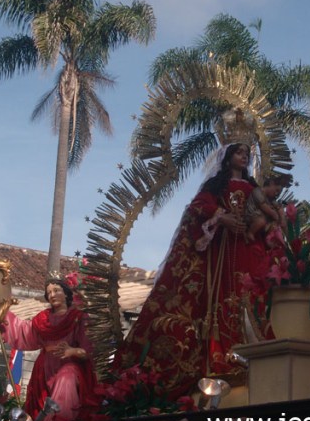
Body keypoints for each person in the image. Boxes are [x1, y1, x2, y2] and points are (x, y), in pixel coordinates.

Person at [115, 143, 272, 397]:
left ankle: (257, 353)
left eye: (247, 154)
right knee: (223, 301)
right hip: (221, 254)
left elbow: (267, 212)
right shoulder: (216, 187)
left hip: (247, 250)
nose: (244, 157)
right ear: (228, 158)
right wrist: (221, 217)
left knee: (253, 299)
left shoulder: (254, 189)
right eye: (239, 153)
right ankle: (220, 357)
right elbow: (197, 208)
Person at [1, 279, 97, 421]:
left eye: (57, 290)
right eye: (49, 293)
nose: (52, 295)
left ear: (66, 294)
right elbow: (23, 333)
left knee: (67, 377)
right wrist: (2, 314)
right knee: (41, 406)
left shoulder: (78, 317)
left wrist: (72, 351)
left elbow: (87, 351)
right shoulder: (42, 319)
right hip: (45, 369)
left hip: (71, 365)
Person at [245, 175, 286, 246]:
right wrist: (275, 215)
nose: (276, 194)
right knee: (261, 221)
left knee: (272, 226)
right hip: (251, 214)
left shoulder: (271, 199)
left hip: (261, 217)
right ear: (271, 183)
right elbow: (265, 207)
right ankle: (250, 233)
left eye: (278, 194)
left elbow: (278, 207)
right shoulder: (257, 191)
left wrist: (282, 217)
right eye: (276, 190)